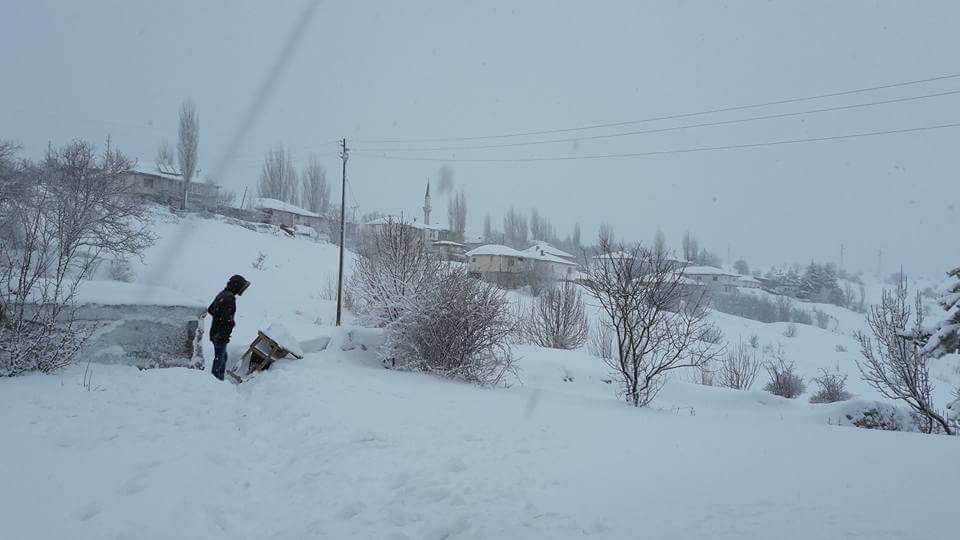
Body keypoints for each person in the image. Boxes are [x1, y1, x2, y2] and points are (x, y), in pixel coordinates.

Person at [207, 274, 250, 380]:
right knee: (220, 359)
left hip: (216, 332)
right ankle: (215, 381)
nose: (242, 290)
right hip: (221, 334)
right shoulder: (229, 297)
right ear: (237, 286)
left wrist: (218, 318)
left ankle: (218, 379)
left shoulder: (222, 294)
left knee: (223, 357)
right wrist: (230, 323)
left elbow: (211, 309)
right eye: (242, 287)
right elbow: (227, 319)